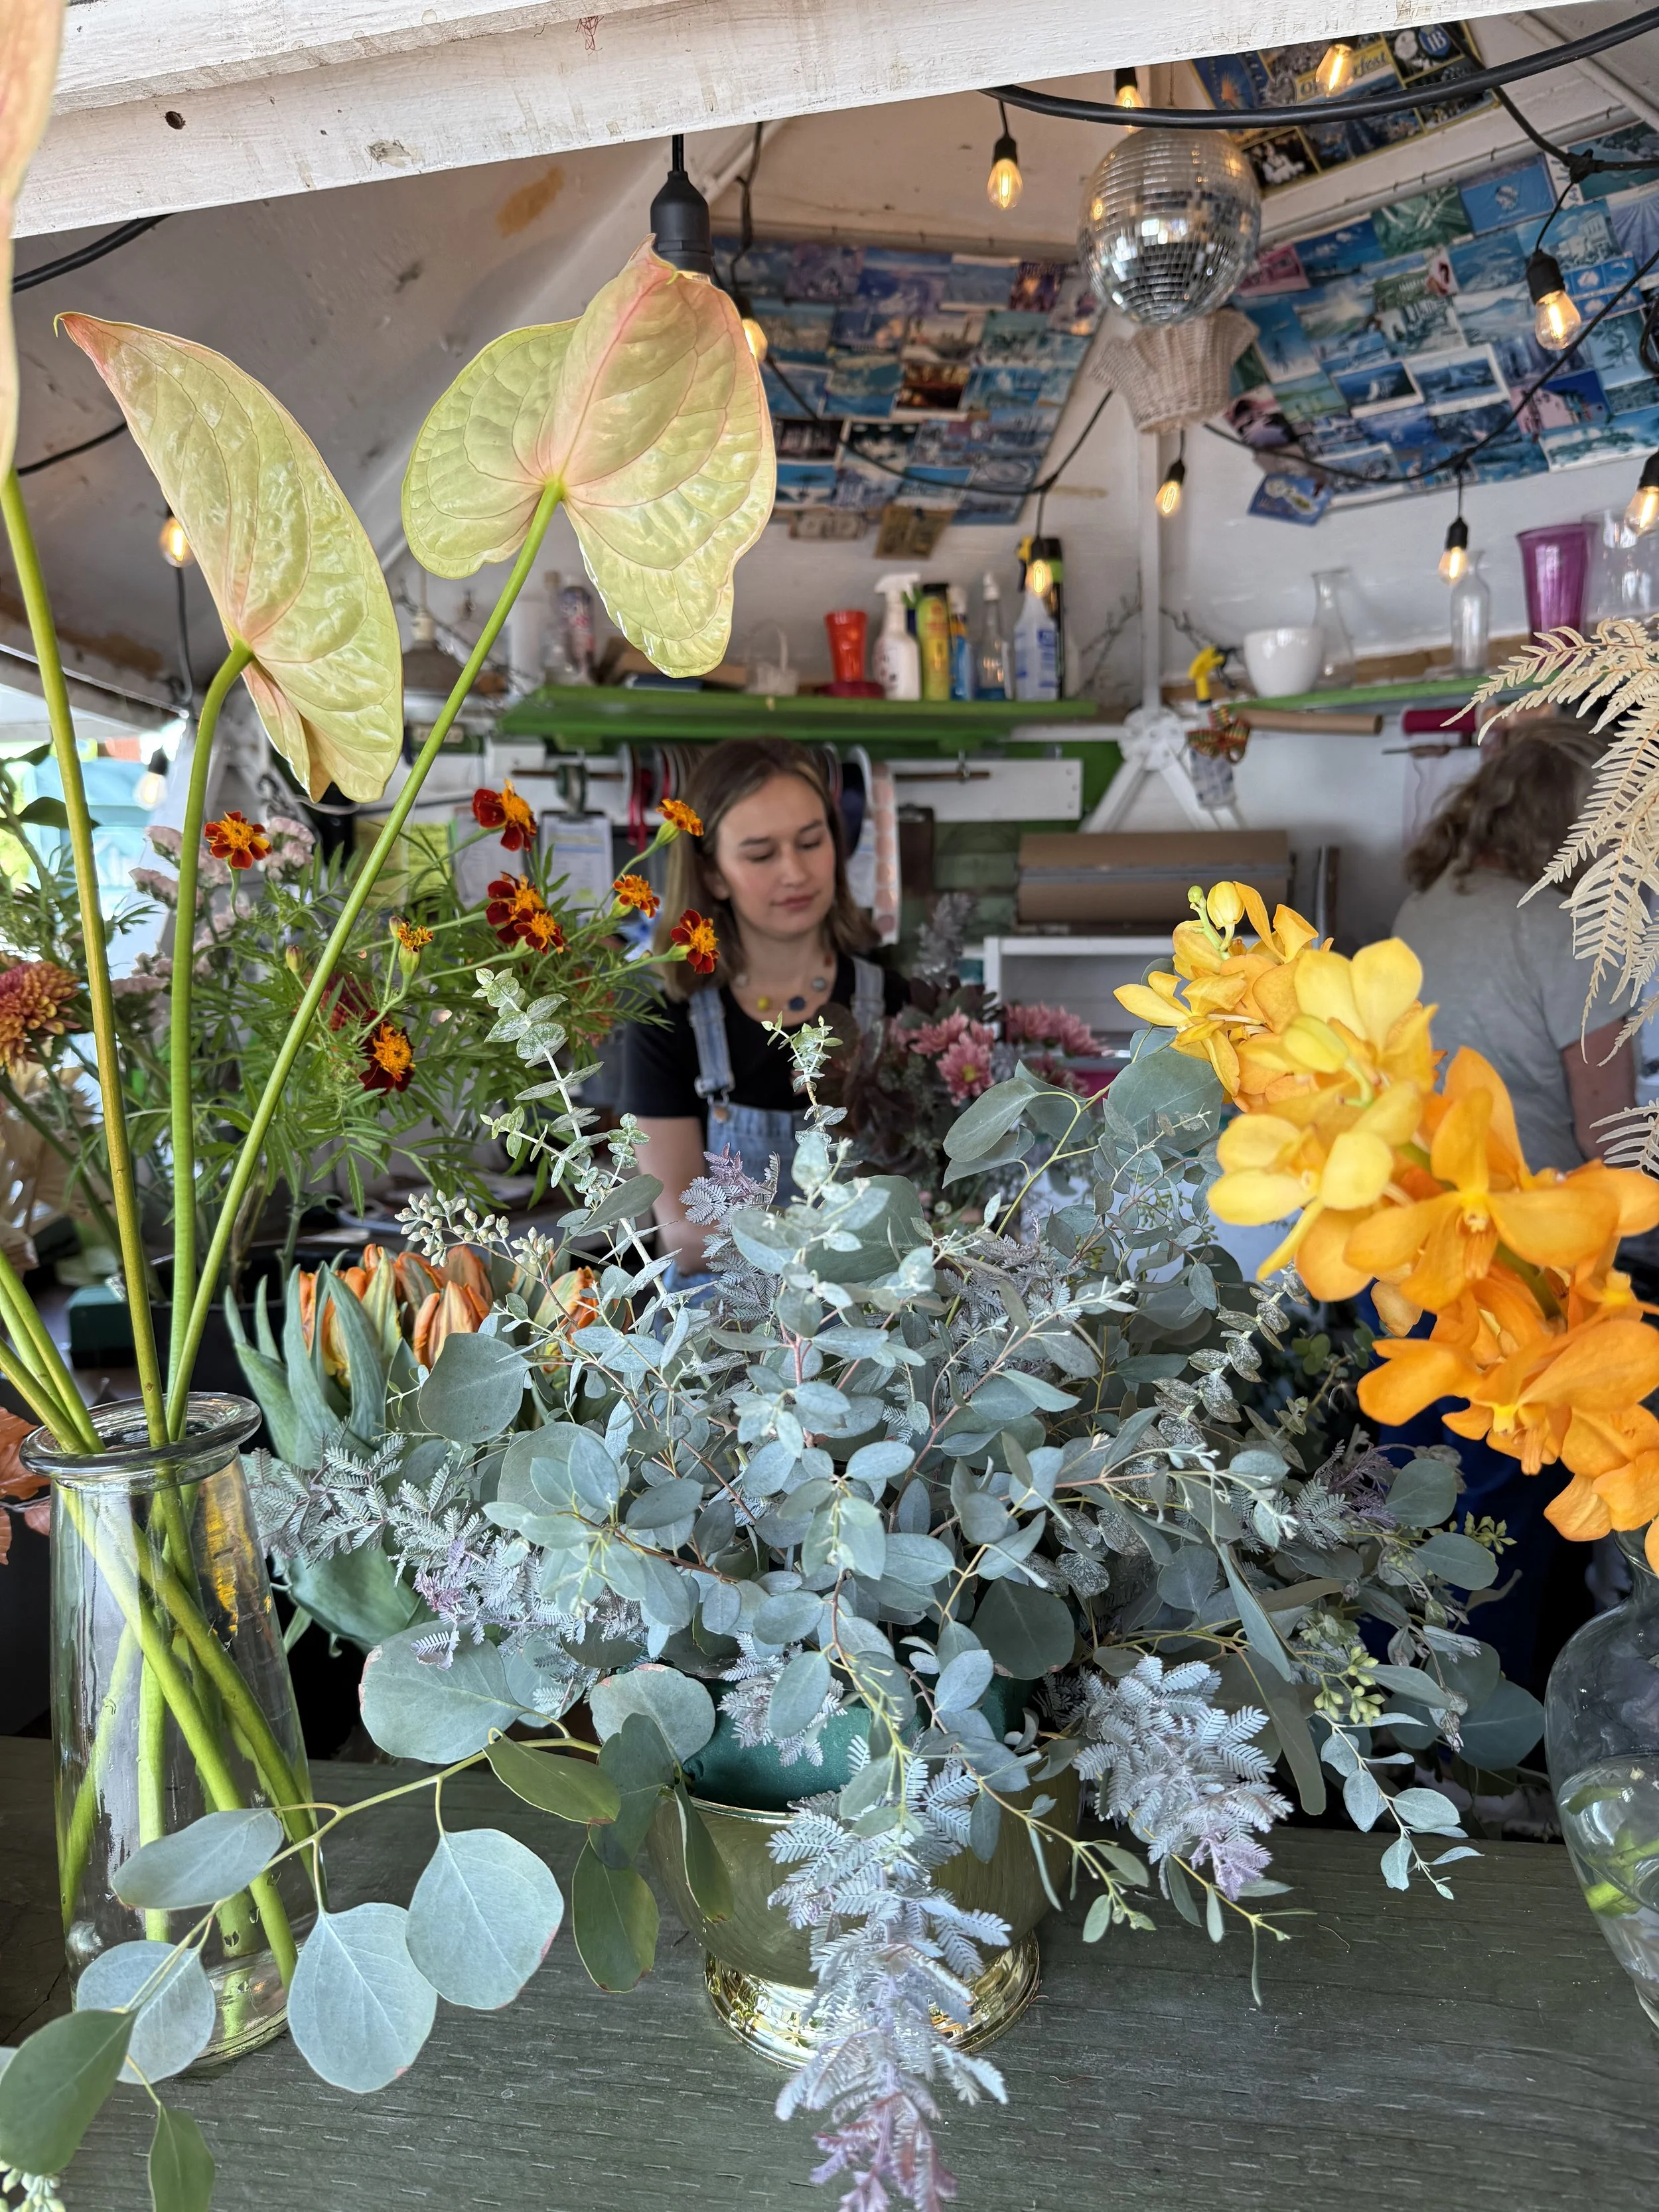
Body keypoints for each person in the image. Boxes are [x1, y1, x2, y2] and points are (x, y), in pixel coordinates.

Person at [1386, 720, 1637, 1690]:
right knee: (1509, 1515)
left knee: (1418, 1505)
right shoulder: (1572, 923)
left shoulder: (1428, 905)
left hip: (1417, 1247)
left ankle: (1406, 1733)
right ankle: (1493, 1756)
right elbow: (1611, 1135)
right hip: (1521, 1267)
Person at [620, 738, 906, 1275]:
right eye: (761, 854)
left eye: (810, 842)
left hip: (872, 1329)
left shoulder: (893, 1002)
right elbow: (682, 1236)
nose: (794, 872)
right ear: (711, 875)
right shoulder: (668, 1021)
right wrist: (827, 1245)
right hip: (719, 1337)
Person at [1394, 721, 1634, 1171]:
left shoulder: (1422, 902)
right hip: (1535, 1211)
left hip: (1430, 1190)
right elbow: (1611, 1139)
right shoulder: (1568, 933)